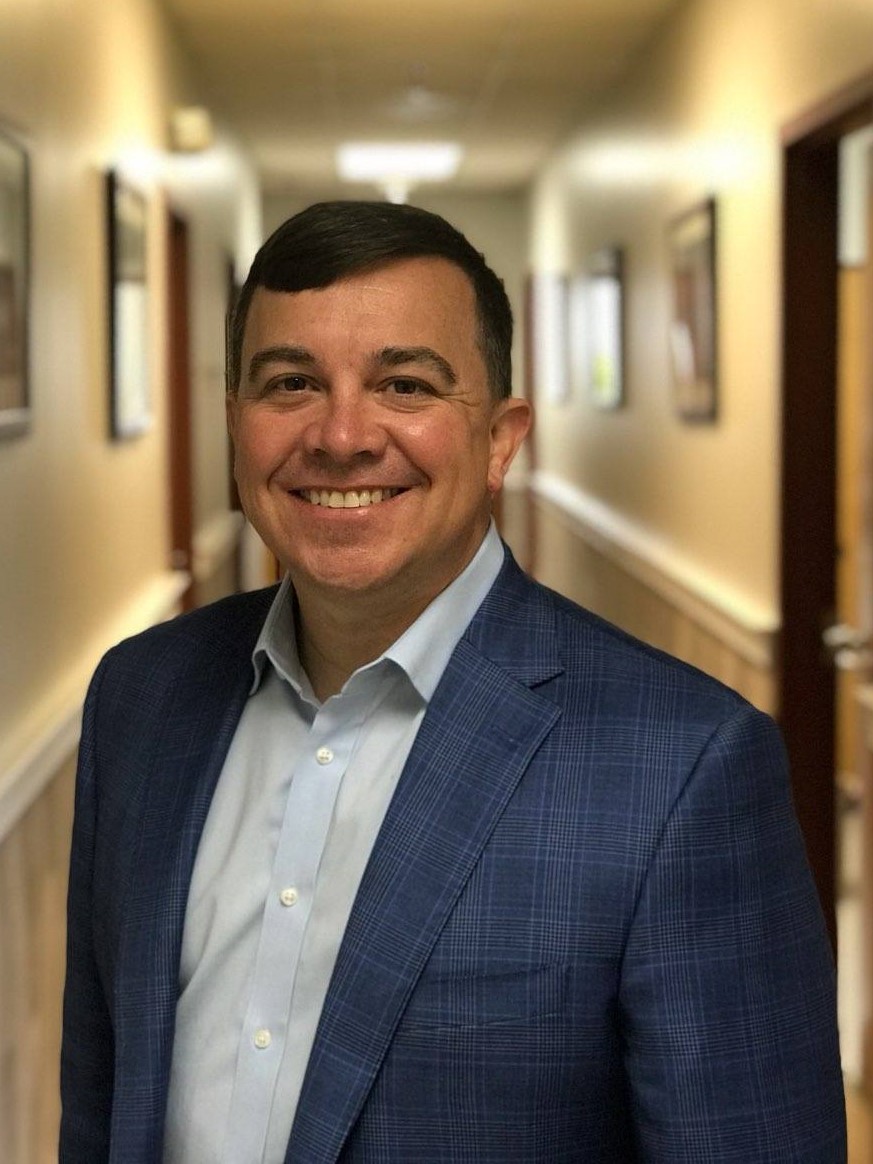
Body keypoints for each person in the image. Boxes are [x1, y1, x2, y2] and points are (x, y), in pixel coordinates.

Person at [60, 200, 846, 1163]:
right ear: (236, 424)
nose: (341, 436)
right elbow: (101, 1096)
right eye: (291, 383)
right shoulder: (140, 697)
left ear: (501, 439)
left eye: (405, 385)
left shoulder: (684, 767)